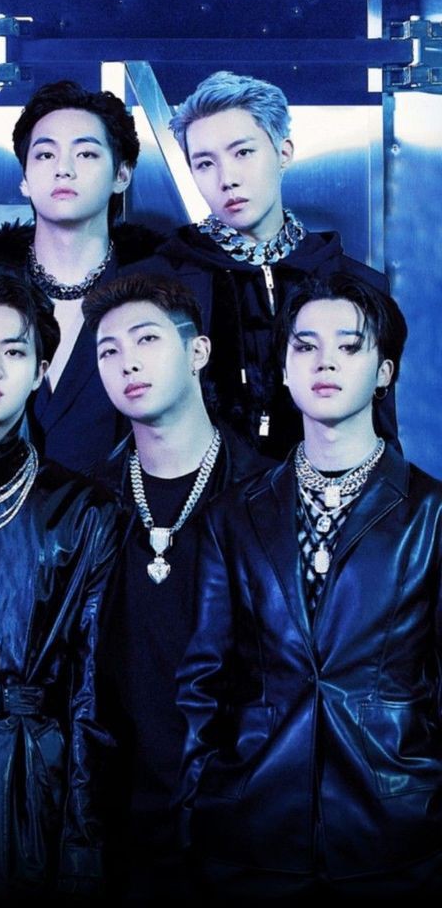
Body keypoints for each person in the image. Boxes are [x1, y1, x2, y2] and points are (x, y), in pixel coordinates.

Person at [176, 271, 442, 902]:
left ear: (384, 372)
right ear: (285, 370)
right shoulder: (232, 516)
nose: (326, 362)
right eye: (305, 346)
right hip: (252, 828)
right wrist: (200, 801)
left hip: (396, 830)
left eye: (349, 346)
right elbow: (202, 681)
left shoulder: (430, 514)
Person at [0, 273, 120, 903]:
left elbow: (92, 694)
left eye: (14, 351)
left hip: (32, 787)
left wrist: (83, 846)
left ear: (40, 371)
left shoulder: (83, 509)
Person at [81, 272, 269, 904]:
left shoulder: (266, 499)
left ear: (198, 351)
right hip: (115, 821)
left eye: (147, 339)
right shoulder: (85, 507)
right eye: (108, 351)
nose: (127, 363)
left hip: (243, 818)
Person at [138, 70, 398, 461]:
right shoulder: (158, 284)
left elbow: (380, 436)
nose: (227, 179)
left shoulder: (357, 283)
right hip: (201, 494)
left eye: (243, 153)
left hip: (325, 492)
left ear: (283, 153)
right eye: (205, 163)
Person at [0, 79, 166, 474]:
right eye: (45, 155)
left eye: (86, 154)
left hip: (120, 510)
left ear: (122, 174)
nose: (63, 169)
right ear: (24, 178)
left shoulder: (161, 297)